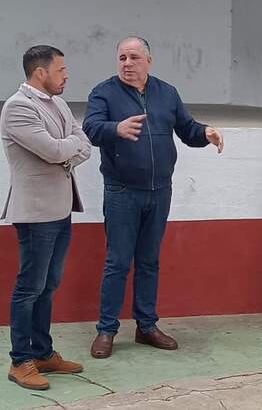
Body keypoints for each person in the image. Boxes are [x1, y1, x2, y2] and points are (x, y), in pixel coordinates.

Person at [83, 36, 223, 358]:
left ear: (149, 60)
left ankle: (146, 326)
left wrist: (206, 133)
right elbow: (90, 128)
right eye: (122, 58)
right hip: (122, 191)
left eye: (134, 57)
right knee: (118, 262)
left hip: (160, 191)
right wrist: (115, 129)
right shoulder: (104, 92)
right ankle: (107, 329)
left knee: (149, 262)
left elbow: (187, 129)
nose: (127, 64)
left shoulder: (167, 93)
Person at [1, 45, 92, 390]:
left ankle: (42, 353)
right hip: (36, 213)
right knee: (29, 287)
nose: (66, 76)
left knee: (49, 284)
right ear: (41, 73)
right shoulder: (18, 107)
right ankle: (20, 361)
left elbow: (83, 144)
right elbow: (53, 150)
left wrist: (64, 149)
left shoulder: (58, 104)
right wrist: (66, 148)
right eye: (61, 70)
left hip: (61, 209)